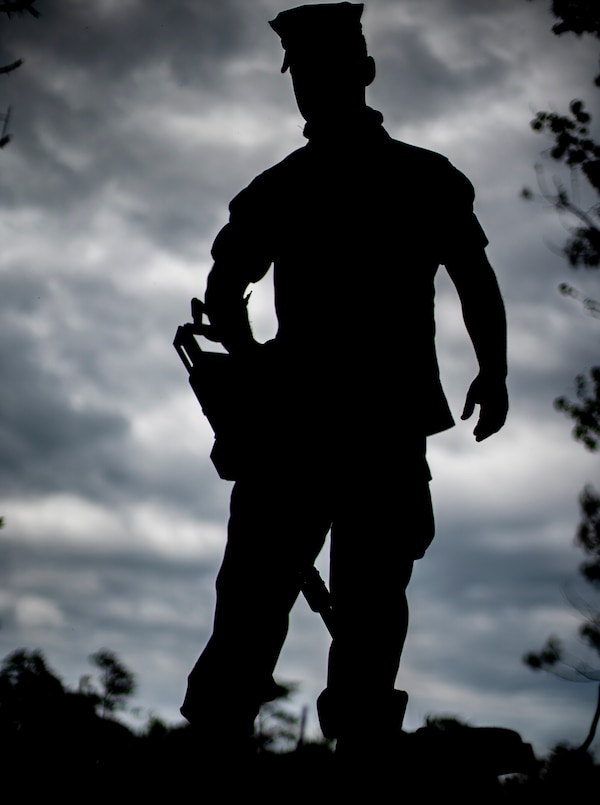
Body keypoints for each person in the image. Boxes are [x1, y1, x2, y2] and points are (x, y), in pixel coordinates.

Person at [180, 2, 508, 752]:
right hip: (329, 429)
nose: (311, 89)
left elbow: (475, 281)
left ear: (363, 72)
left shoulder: (324, 184)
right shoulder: (389, 179)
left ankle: (325, 746)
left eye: (321, 73)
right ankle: (273, 744)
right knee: (285, 601)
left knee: (347, 602)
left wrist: (494, 370)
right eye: (304, 76)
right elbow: (223, 289)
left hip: (345, 429)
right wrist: (253, 363)